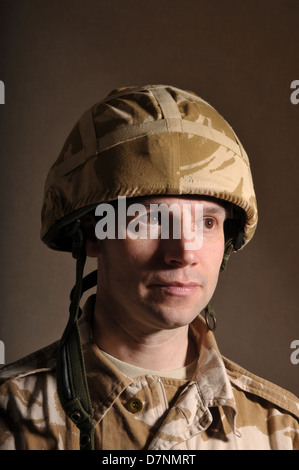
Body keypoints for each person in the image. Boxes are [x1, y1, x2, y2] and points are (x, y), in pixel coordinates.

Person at [0, 85, 298, 450]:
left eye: (207, 223)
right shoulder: (9, 414)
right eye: (152, 219)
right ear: (92, 234)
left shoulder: (281, 430)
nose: (185, 251)